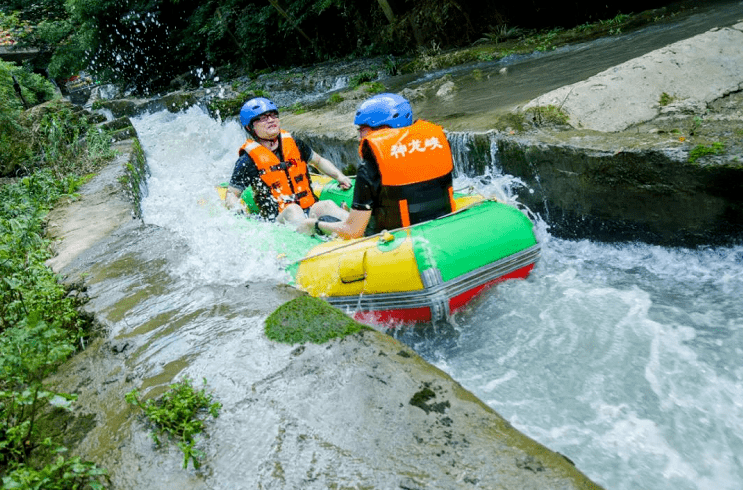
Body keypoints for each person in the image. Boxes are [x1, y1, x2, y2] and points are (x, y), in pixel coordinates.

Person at [298, 93, 456, 239]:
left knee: (320, 209)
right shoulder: (435, 145)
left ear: (384, 128)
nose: (360, 136)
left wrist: (313, 224)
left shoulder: (370, 167)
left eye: (363, 129)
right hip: (440, 226)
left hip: (392, 239)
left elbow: (354, 231)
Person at [225, 97, 351, 226]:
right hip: (277, 219)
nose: (270, 120)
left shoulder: (294, 143)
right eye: (263, 118)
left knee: (326, 205)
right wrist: (238, 211)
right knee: (293, 209)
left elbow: (318, 161)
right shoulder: (247, 160)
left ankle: (354, 227)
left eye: (273, 115)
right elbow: (231, 194)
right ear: (250, 127)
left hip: (309, 207)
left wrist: (339, 176)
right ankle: (314, 232)